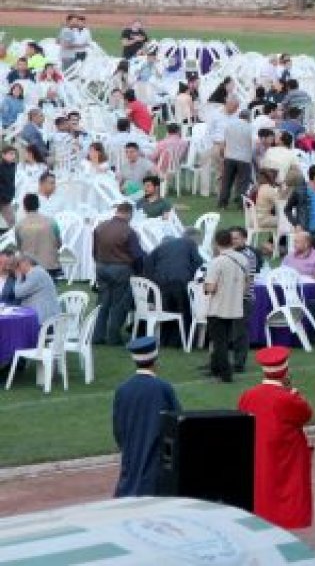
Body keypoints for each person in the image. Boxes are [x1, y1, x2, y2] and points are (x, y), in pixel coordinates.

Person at [238, 346, 314, 529]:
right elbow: (305, 415)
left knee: (262, 488)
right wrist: (294, 393)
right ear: (285, 371)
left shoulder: (248, 395)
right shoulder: (288, 398)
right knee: (288, 491)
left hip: (259, 451)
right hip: (286, 454)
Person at [112, 336, 179, 497]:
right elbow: (176, 424)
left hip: (130, 453)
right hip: (156, 459)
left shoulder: (122, 389)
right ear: (155, 360)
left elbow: (118, 428)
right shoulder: (163, 388)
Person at [92, 202, 145, 346]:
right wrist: (140, 271)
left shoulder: (100, 227)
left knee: (102, 303)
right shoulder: (128, 231)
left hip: (101, 266)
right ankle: (113, 337)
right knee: (119, 304)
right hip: (121, 269)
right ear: (129, 214)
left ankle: (97, 335)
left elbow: (94, 251)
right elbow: (137, 255)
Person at [205, 229, 250, 383]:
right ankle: (216, 368)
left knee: (219, 342)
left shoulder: (217, 261)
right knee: (225, 340)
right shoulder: (243, 259)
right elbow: (246, 283)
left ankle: (225, 373)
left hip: (218, 306)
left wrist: (204, 287)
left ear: (217, 243)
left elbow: (211, 287)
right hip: (235, 306)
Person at [284, 165, 315, 255]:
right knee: (303, 260)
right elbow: (287, 209)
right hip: (305, 232)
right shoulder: (299, 191)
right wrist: (296, 224)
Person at [14, 193, 61, 278]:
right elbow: (59, 244)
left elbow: (19, 247)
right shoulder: (52, 222)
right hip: (50, 266)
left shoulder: (19, 225)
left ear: (24, 207)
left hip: (29, 267)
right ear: (38, 205)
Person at [12, 254, 60, 323]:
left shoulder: (36, 274)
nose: (16, 269)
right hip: (44, 316)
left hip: (46, 321)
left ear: (25, 262)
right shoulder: (37, 272)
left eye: (17, 265)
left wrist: (18, 277)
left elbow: (18, 293)